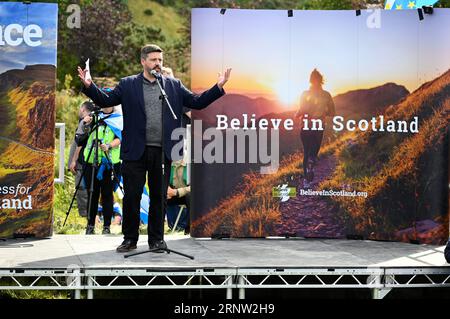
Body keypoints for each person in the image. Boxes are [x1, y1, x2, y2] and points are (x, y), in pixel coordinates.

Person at [77, 44, 231, 252]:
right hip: (135, 151)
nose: (158, 64)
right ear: (143, 61)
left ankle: (157, 240)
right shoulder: (128, 84)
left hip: (162, 151)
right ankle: (130, 239)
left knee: (159, 197)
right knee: (132, 196)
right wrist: (89, 85)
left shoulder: (173, 85)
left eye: (160, 60)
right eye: (153, 60)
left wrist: (218, 86)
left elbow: (197, 102)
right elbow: (107, 100)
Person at [75, 105, 122, 235]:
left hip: (109, 162)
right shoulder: (94, 116)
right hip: (91, 161)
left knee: (107, 194)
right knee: (92, 193)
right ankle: (90, 225)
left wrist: (108, 145)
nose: (105, 105)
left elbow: (120, 138)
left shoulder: (118, 118)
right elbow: (80, 138)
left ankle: (106, 226)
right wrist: (85, 123)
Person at [295, 68, 335, 187]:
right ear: (321, 81)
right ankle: (311, 165)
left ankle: (306, 181)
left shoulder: (305, 94)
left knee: (306, 152)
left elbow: (301, 110)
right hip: (318, 126)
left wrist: (297, 114)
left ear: (310, 81)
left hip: (305, 125)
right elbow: (332, 113)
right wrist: (323, 113)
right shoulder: (327, 95)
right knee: (313, 152)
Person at [69, 101, 96, 217]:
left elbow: (80, 143)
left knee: (82, 188)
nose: (79, 111)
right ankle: (90, 216)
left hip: (83, 161)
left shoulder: (85, 121)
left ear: (84, 110)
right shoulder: (94, 120)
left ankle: (87, 216)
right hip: (88, 160)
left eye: (81, 109)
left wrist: (73, 161)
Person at [166, 160, 191, 234]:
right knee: (159, 196)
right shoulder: (167, 162)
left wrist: (176, 192)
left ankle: (189, 228)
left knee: (190, 197)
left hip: (187, 193)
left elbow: (197, 185)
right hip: (172, 193)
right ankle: (157, 230)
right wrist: (165, 190)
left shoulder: (190, 163)